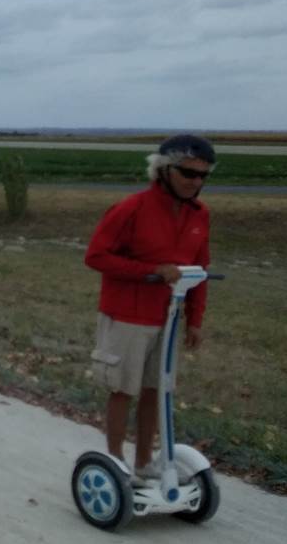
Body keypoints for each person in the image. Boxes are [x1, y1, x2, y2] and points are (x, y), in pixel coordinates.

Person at [84, 134, 214, 483]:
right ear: (164, 170)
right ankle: (114, 465)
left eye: (203, 175)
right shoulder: (132, 208)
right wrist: (150, 271)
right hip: (127, 316)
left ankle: (144, 462)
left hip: (167, 318)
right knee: (123, 389)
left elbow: (200, 270)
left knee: (156, 391)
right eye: (188, 173)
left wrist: (195, 320)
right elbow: (95, 256)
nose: (196, 182)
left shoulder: (200, 215)